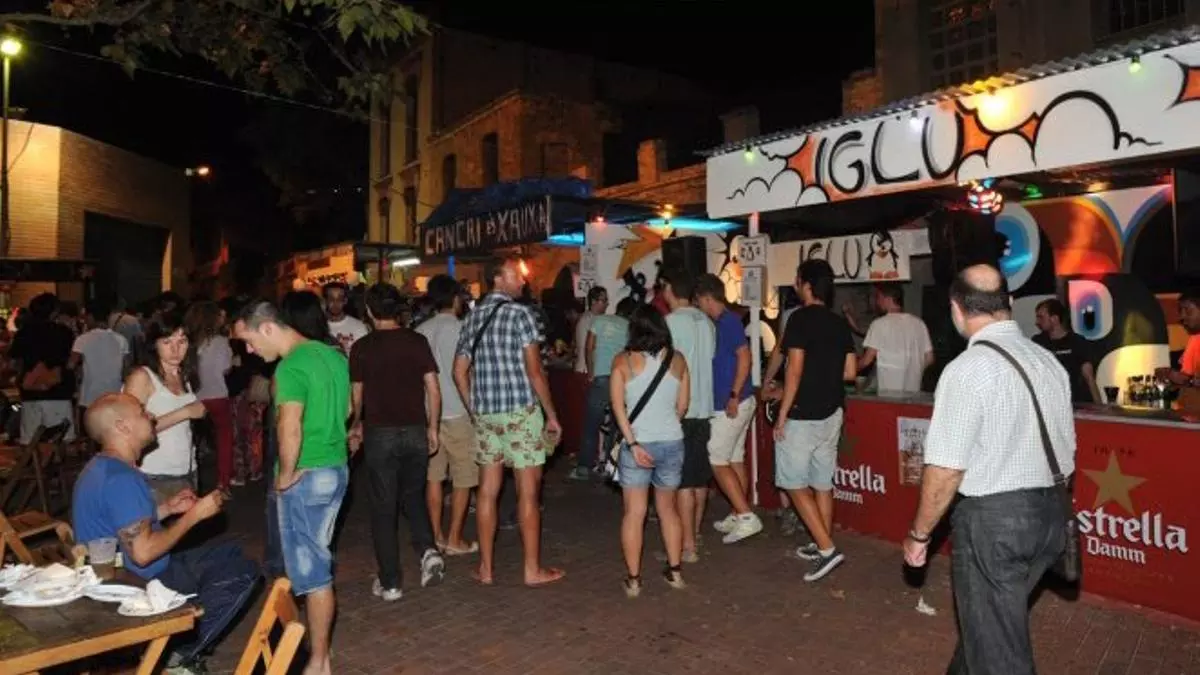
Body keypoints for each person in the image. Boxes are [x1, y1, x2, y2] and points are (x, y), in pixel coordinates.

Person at [903, 264, 1075, 675]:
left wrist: (919, 534)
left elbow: (945, 470)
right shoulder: (1047, 361)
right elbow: (1069, 446)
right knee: (990, 629)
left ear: (956, 310)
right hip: (1052, 517)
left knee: (998, 652)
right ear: (1009, 304)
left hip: (996, 527)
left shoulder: (966, 370)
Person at [73, 393, 258, 674]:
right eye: (142, 412)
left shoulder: (100, 468)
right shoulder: (121, 479)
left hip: (120, 576)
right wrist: (194, 517)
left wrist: (167, 509)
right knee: (243, 572)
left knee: (230, 552)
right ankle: (176, 653)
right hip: (138, 585)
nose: (151, 416)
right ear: (122, 427)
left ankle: (175, 641)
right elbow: (143, 553)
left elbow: (123, 525)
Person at [235, 297, 351, 675]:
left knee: (313, 574)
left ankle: (318, 661)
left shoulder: (290, 367)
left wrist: (285, 474)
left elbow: (289, 425)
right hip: (335, 468)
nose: (250, 350)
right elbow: (349, 410)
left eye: (250, 341)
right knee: (316, 561)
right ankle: (316, 654)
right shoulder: (333, 355)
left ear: (268, 328)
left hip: (306, 473)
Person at [452, 258, 565, 587]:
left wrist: (475, 407)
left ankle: (486, 569)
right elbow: (535, 372)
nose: (523, 281)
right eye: (517, 274)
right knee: (528, 492)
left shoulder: (472, 317)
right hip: (519, 412)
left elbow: (459, 372)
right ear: (498, 278)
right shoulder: (520, 314)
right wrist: (551, 414)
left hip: (487, 415)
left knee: (487, 492)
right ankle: (532, 570)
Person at [350, 283, 446, 601]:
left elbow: (357, 396)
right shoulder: (416, 341)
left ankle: (391, 581)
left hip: (380, 434)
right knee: (413, 495)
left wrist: (356, 425)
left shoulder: (362, 347)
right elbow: (433, 388)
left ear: (369, 311)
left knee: (383, 507)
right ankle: (428, 551)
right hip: (415, 429)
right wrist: (432, 427)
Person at [774, 259, 856, 582]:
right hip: (833, 412)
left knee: (793, 483)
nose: (795, 285)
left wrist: (782, 413)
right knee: (822, 483)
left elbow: (793, 370)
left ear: (807, 285)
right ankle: (822, 541)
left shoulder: (799, 319)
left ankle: (827, 550)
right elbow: (850, 372)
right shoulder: (839, 323)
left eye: (798, 280)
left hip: (803, 413)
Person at [610, 305, 690, 596]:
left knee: (634, 513)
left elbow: (618, 408)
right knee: (668, 510)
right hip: (671, 441)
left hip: (638, 444)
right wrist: (666, 425)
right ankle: (675, 572)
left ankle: (634, 580)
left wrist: (632, 442)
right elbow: (683, 406)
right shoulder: (678, 360)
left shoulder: (623, 361)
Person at [694, 274, 762, 544]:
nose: (699, 306)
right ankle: (738, 513)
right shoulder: (723, 322)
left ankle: (746, 516)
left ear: (707, 298)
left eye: (699, 301)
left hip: (732, 402)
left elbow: (745, 356)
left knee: (716, 458)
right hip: (737, 401)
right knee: (734, 459)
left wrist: (733, 394)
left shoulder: (728, 321)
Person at [416, 275, 480, 555]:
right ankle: (454, 538)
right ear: (455, 299)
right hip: (458, 412)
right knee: (464, 476)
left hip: (430, 414)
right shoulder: (460, 328)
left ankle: (436, 536)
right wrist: (474, 409)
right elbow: (463, 373)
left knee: (434, 477)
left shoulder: (421, 330)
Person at [659, 266, 716, 562]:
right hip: (705, 408)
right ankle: (695, 533)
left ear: (670, 289)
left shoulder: (669, 323)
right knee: (699, 478)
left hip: (679, 409)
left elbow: (666, 367)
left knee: (682, 481)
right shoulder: (706, 322)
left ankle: (688, 545)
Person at [124, 311, 207, 504]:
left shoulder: (184, 376)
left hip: (187, 470)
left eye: (182, 341)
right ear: (154, 344)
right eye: (167, 342)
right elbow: (130, 430)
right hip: (154, 474)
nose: (175, 349)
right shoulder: (142, 377)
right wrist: (185, 412)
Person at [8, 292, 77, 442]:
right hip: (59, 390)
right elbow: (71, 361)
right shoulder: (64, 332)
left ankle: (35, 457)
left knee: (31, 439)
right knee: (60, 438)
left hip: (30, 391)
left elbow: (14, 362)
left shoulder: (24, 332)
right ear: (54, 312)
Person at [186, 301, 237, 490]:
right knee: (224, 437)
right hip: (217, 394)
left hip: (194, 397)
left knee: (191, 438)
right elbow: (226, 368)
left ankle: (189, 478)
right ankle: (223, 482)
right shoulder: (220, 341)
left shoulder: (190, 343)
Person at [853, 284, 933, 393]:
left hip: (888, 395)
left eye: (879, 297)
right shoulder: (919, 323)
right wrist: (913, 371)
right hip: (914, 394)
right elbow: (930, 358)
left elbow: (867, 360)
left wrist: (849, 371)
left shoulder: (879, 324)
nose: (877, 302)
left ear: (888, 299)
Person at [1032, 298, 1100, 403]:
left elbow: (1089, 377)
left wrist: (1099, 406)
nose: (1037, 322)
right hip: (1049, 402)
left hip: (1075, 402)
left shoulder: (1077, 341)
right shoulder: (1037, 342)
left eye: (1041, 317)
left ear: (1055, 319)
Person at [324, 281, 369, 355]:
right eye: (331, 298)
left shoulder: (359, 327)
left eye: (340, 298)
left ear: (345, 301)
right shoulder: (320, 328)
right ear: (326, 301)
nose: (335, 302)